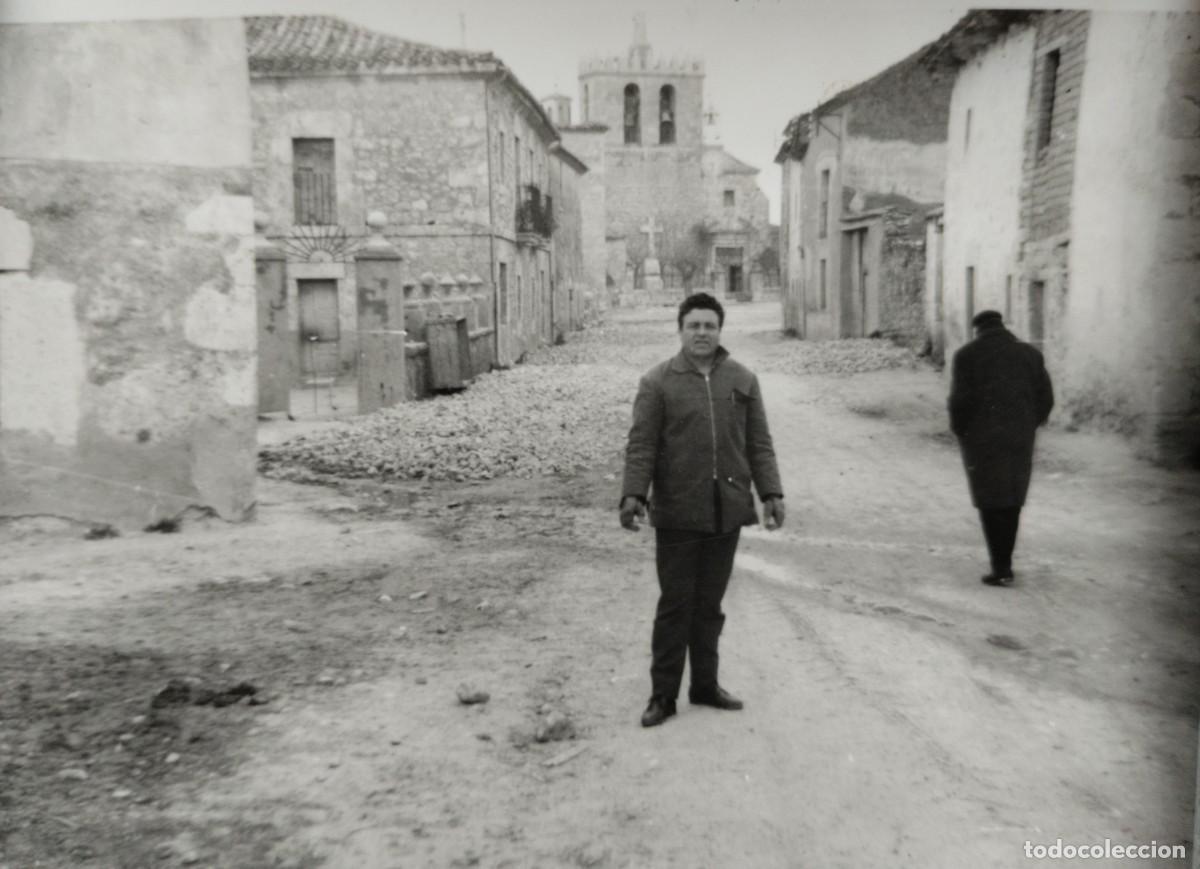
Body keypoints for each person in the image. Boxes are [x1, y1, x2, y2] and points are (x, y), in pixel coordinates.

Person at [619, 292, 785, 727]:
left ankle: (705, 686)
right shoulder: (657, 382)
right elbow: (642, 445)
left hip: (725, 510)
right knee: (676, 603)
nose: (701, 333)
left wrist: (771, 493)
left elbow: (759, 444)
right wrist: (633, 494)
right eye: (693, 325)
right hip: (677, 510)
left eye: (709, 326)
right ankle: (663, 695)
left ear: (720, 330)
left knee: (709, 604)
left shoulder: (742, 379)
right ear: (680, 330)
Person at [948, 309, 1054, 587]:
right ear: (1002, 326)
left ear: (977, 329)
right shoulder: (1030, 354)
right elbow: (1046, 398)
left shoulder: (966, 355)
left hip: (981, 440)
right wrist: (1029, 424)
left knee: (989, 502)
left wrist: (963, 432)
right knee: (1012, 499)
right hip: (1019, 438)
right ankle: (1005, 564)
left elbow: (959, 402)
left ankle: (1001, 567)